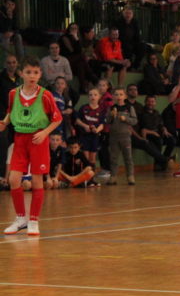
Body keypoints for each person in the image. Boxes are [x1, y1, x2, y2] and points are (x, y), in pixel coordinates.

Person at [2, 55, 63, 236]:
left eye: (36, 72)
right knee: (14, 180)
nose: (32, 76)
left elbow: (57, 118)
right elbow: (11, 111)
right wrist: (4, 122)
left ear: (40, 74)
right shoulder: (13, 93)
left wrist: (44, 133)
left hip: (38, 139)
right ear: (21, 73)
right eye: (28, 72)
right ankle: (21, 219)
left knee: (37, 181)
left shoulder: (45, 95)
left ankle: (34, 220)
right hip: (20, 139)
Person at [126, 84, 169, 171]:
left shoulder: (140, 106)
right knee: (144, 143)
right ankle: (165, 160)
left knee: (152, 142)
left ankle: (158, 164)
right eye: (131, 89)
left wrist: (143, 136)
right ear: (126, 92)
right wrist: (141, 137)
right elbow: (127, 126)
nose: (133, 91)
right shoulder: (124, 105)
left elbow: (143, 124)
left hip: (138, 134)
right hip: (128, 135)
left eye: (135, 89)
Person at [105, 87, 137, 185]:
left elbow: (134, 121)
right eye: (116, 95)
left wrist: (126, 118)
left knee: (128, 158)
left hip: (125, 137)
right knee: (113, 158)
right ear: (113, 96)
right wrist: (111, 115)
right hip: (114, 137)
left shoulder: (129, 108)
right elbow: (107, 121)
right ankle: (113, 176)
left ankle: (130, 176)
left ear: (125, 96)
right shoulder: (111, 108)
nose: (119, 97)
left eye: (121, 94)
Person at [59, 23, 99, 94]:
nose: (74, 30)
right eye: (72, 28)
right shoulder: (65, 38)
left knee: (80, 65)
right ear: (69, 29)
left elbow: (79, 51)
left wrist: (77, 39)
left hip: (75, 60)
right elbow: (72, 51)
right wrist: (76, 40)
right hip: (65, 59)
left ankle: (82, 87)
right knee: (81, 57)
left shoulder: (77, 38)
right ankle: (92, 76)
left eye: (75, 28)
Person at [74, 88, 105, 176]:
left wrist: (97, 130)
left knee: (92, 158)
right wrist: (85, 126)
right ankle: (84, 177)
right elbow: (77, 120)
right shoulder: (84, 108)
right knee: (85, 157)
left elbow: (102, 124)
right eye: (91, 95)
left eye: (95, 95)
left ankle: (91, 177)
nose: (93, 97)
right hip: (84, 136)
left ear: (99, 97)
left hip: (94, 137)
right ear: (88, 97)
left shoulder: (101, 110)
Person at [140, 95, 177, 169]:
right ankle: (158, 164)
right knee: (158, 140)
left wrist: (164, 129)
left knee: (172, 140)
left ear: (155, 103)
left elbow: (161, 124)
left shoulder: (156, 113)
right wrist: (153, 133)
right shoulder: (141, 113)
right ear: (145, 102)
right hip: (149, 136)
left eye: (152, 101)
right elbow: (142, 129)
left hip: (158, 134)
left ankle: (165, 160)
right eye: (148, 101)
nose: (150, 103)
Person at [0, 55, 19, 179]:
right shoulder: (1, 78)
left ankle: (13, 173)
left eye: (14, 62)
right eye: (9, 62)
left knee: (14, 144)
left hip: (16, 117)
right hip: (3, 116)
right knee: (4, 144)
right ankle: (2, 176)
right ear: (5, 64)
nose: (12, 65)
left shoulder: (19, 78)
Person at [114, 6, 148, 71]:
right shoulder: (118, 22)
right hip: (122, 42)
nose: (128, 15)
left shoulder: (135, 22)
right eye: (126, 13)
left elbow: (137, 36)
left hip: (132, 42)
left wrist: (139, 43)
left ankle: (136, 66)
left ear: (132, 15)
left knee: (143, 46)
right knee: (128, 47)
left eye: (130, 13)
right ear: (123, 14)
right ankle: (130, 66)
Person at [96, 78, 114, 177]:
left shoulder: (108, 98)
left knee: (104, 149)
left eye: (103, 85)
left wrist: (104, 123)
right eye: (100, 85)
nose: (101, 87)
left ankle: (107, 169)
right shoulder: (98, 96)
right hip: (99, 127)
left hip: (105, 128)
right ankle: (104, 168)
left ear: (107, 87)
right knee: (101, 148)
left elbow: (108, 113)